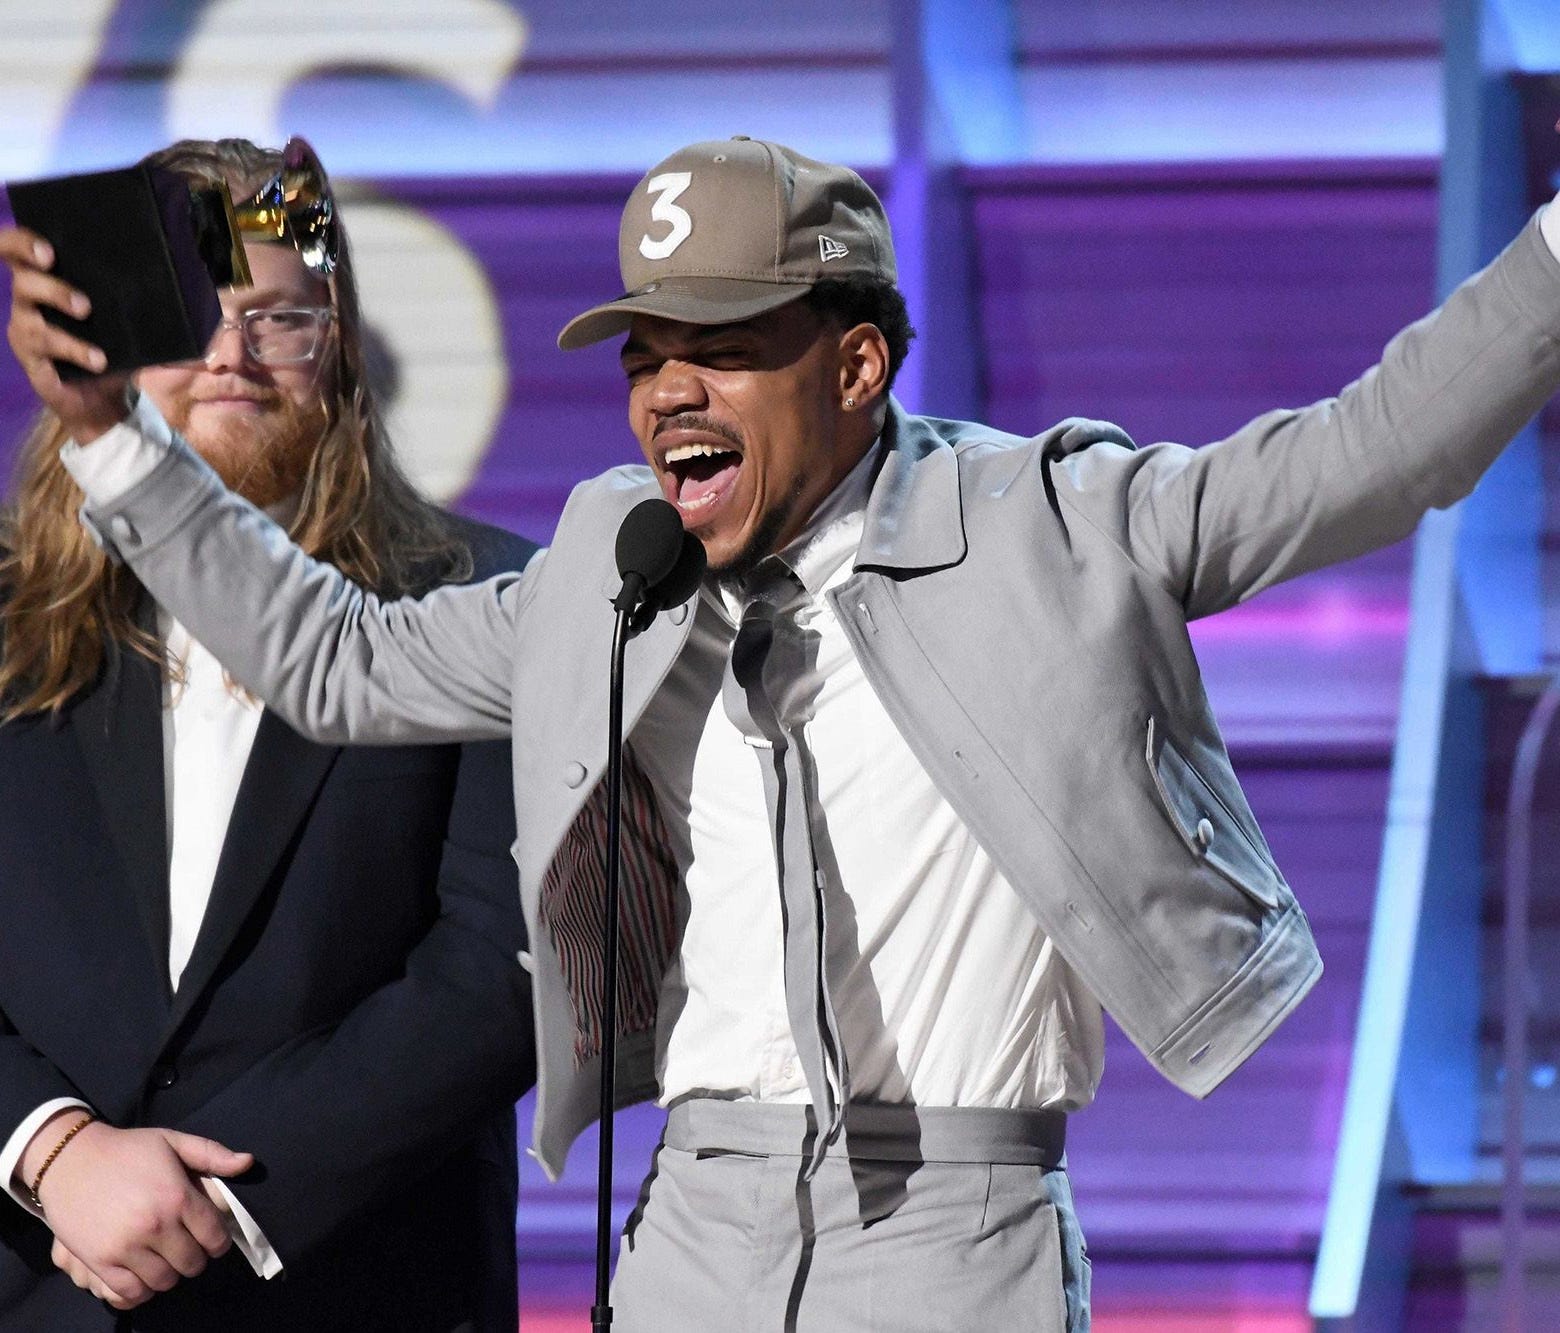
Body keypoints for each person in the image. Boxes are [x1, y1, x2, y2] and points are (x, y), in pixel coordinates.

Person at [7, 136, 1560, 1332]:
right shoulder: (610, 569)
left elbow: (1373, 453)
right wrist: (112, 441)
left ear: (857, 366)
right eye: (643, 353)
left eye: (724, 345)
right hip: (695, 1215)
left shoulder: (1058, 525)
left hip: (957, 1223)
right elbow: (330, 660)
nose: (669, 388)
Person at [0, 138, 535, 1331]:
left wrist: (198, 1198)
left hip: (356, 1282)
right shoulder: (4, 614)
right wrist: (52, 1149)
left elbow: (498, 977)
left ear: (338, 345)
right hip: (41, 1280)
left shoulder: (478, 598)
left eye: (282, 320)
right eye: (199, 317)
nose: (234, 359)